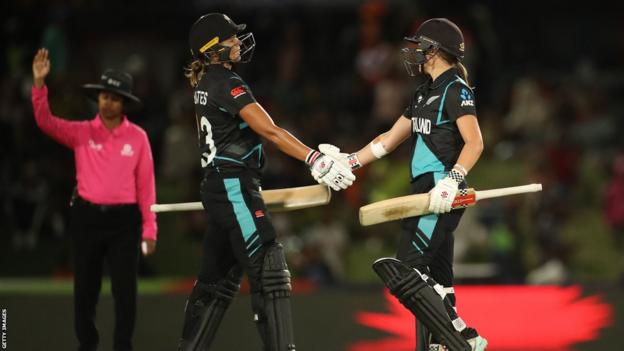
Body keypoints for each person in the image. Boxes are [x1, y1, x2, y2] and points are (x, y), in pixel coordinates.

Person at [178, 13, 355, 351]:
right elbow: (270, 130)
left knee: (216, 282)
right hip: (233, 187)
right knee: (269, 267)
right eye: (230, 39)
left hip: (220, 187)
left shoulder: (206, 83)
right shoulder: (224, 82)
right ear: (213, 48)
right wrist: (314, 158)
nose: (236, 43)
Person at [322, 18, 487, 351]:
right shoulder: (425, 91)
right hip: (425, 190)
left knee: (407, 269)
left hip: (441, 190)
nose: (414, 52)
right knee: (438, 277)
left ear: (436, 50)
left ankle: (458, 337)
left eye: (420, 45)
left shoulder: (456, 89)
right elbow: (389, 139)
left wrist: (451, 182)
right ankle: (447, 339)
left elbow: (475, 143)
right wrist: (349, 161)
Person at [31, 49, 158, 351]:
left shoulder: (138, 137)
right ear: (98, 98)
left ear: (123, 102)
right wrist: (38, 84)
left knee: (125, 292)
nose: (108, 101)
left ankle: (122, 347)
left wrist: (149, 231)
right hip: (87, 219)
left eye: (114, 97)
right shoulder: (82, 133)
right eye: (104, 96)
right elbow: (45, 121)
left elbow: (146, 187)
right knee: (84, 291)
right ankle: (87, 346)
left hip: (124, 222)